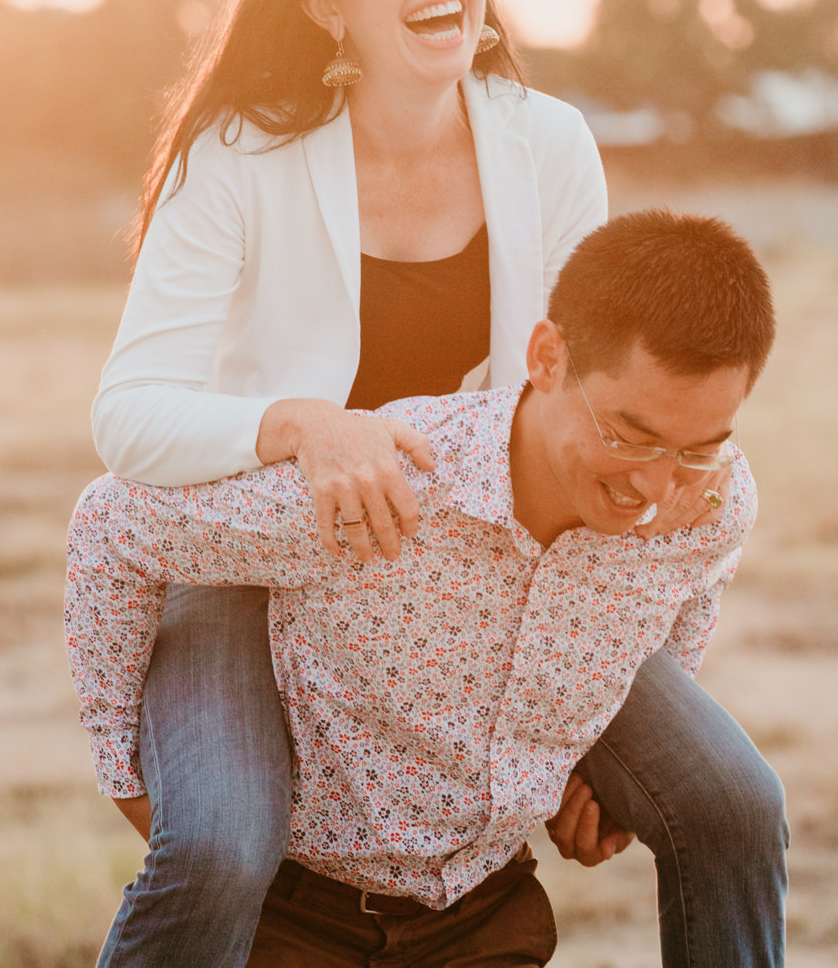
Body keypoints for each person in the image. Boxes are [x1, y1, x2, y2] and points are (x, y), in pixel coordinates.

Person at [88, 0, 786, 966]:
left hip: (484, 570)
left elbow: (583, 384)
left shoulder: (549, 144)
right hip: (257, 546)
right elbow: (128, 417)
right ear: (323, 1)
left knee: (732, 803)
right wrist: (300, 426)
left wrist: (576, 726)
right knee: (216, 845)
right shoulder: (238, 156)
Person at [68, 211, 780, 966]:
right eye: (630, 435)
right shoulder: (388, 485)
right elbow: (112, 525)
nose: (654, 484)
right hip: (295, 917)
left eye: (697, 447)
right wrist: (125, 775)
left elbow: (694, 583)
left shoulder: (710, 503)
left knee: (745, 803)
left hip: (482, 922)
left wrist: (597, 767)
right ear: (546, 358)